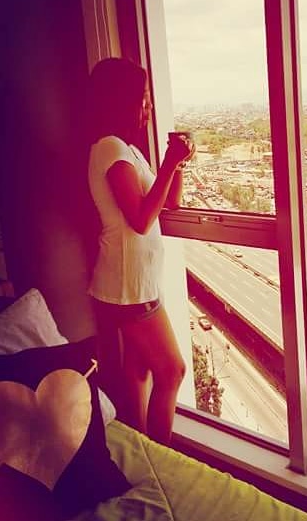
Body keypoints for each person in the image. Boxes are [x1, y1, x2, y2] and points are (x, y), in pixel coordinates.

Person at [86, 57, 194, 445]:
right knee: (172, 371)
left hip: (135, 284)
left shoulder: (128, 150)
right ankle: (160, 459)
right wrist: (168, 164)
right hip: (128, 287)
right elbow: (141, 220)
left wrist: (177, 165)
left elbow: (170, 203)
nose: (148, 105)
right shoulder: (110, 149)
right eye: (143, 97)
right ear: (122, 100)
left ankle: (143, 451)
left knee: (140, 371)